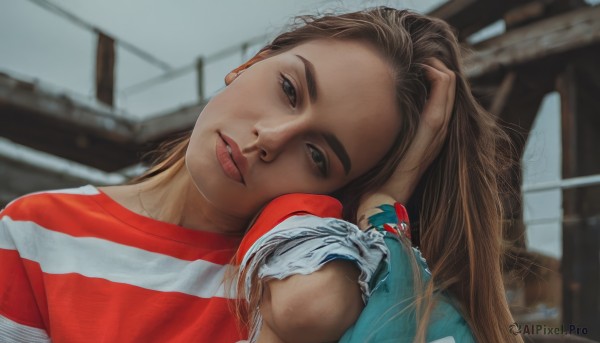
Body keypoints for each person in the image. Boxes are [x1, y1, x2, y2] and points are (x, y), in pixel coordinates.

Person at [0, 7, 520, 343]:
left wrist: (388, 198)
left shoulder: (300, 275)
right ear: (252, 62)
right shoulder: (31, 236)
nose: (271, 138)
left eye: (318, 156)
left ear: (335, 190)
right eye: (290, 89)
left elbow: (315, 308)